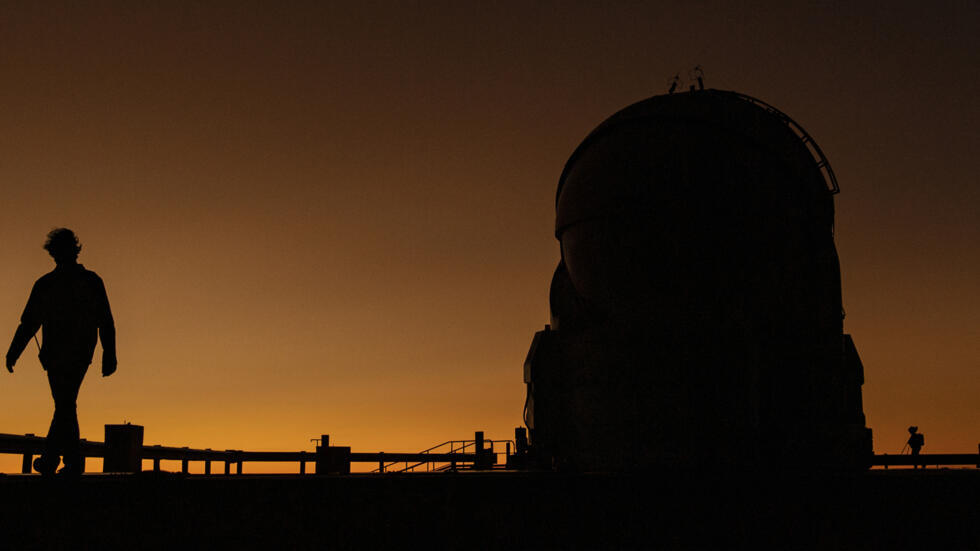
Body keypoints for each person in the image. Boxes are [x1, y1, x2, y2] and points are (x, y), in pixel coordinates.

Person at [5, 228, 116, 477]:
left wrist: (110, 353)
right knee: (66, 404)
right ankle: (62, 460)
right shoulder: (74, 282)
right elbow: (29, 324)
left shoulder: (63, 283)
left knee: (65, 403)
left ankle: (58, 459)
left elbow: (105, 321)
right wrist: (13, 352)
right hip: (66, 354)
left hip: (67, 354)